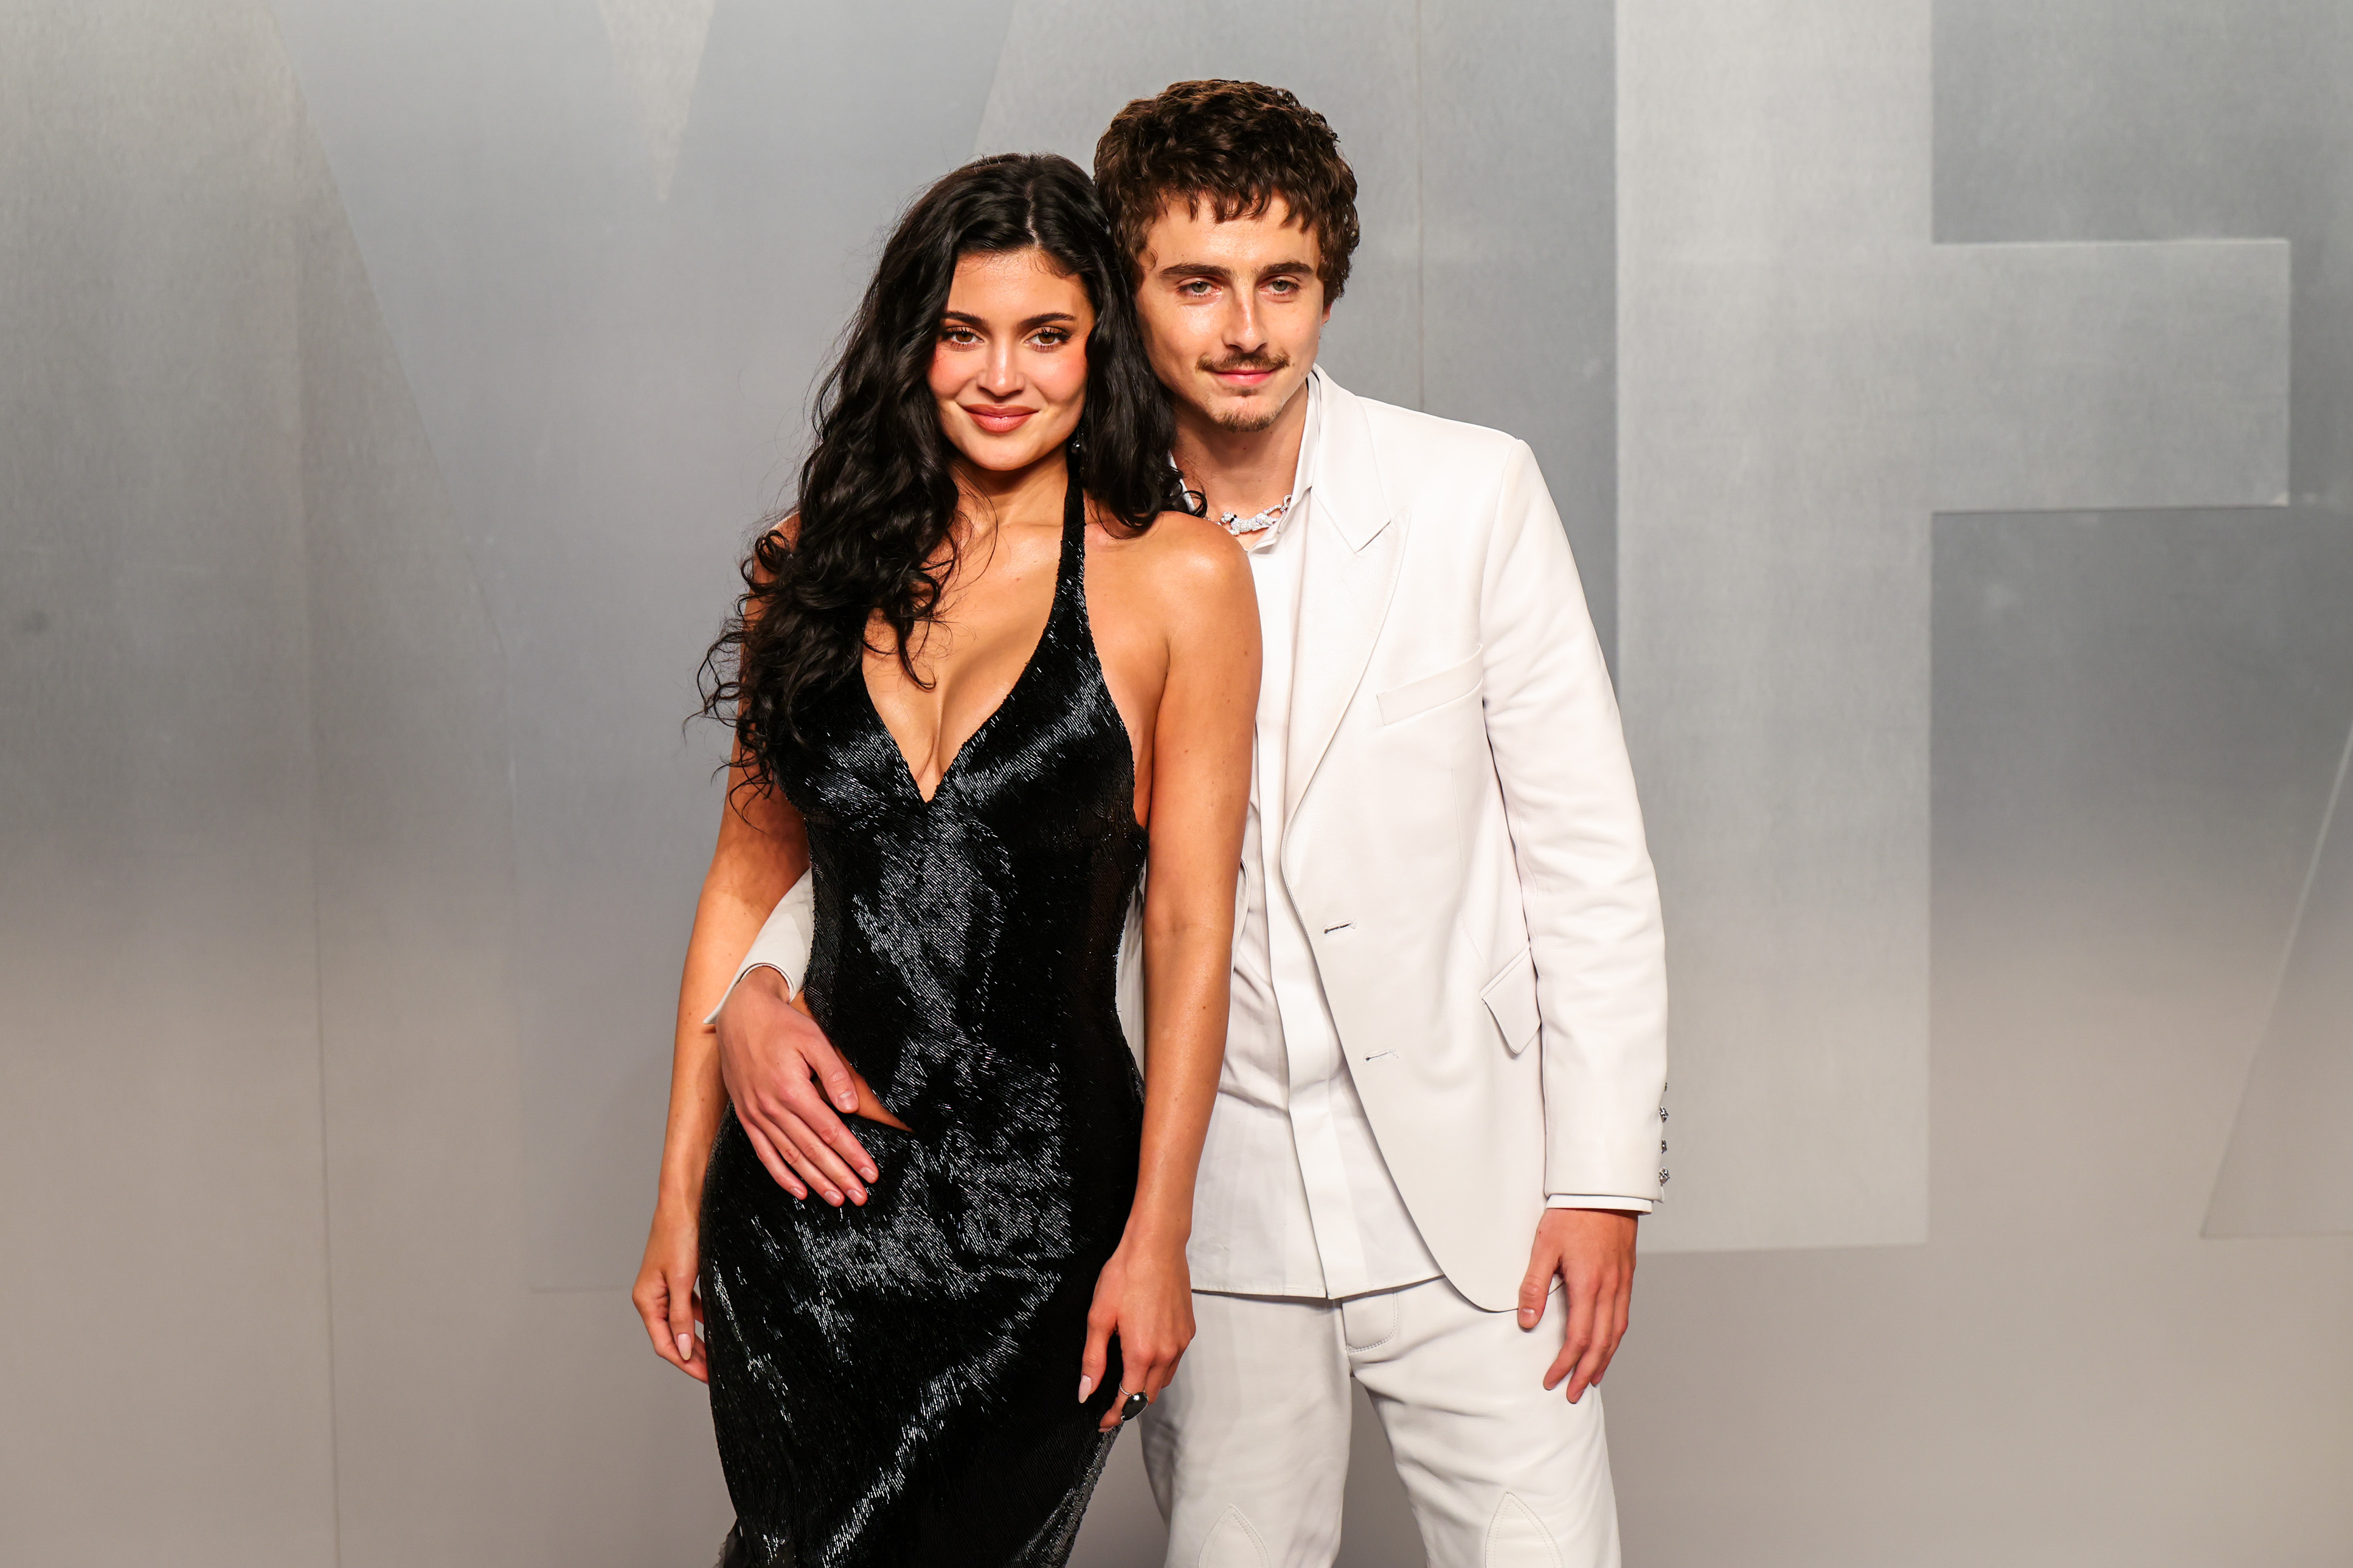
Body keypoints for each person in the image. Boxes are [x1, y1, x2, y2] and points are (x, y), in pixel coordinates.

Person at [705, 81, 1667, 1568]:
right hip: (1201, 1201)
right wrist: (752, 997)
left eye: (1282, 284)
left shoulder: (1473, 498)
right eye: (1196, 284)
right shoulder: (1052, 532)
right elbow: (903, 821)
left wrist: (1599, 1178)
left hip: (1478, 1195)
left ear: (1328, 289)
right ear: (1121, 294)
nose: (1244, 329)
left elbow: (1590, 862)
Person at [630, 153, 1259, 1568]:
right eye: (963, 331)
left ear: (1098, 347)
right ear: (913, 343)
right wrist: (677, 1193)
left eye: (1046, 334)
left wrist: (1157, 1235)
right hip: (801, 1208)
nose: (1001, 374)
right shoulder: (810, 561)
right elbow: (744, 881)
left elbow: (1191, 930)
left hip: (1043, 1224)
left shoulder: (1180, 578)